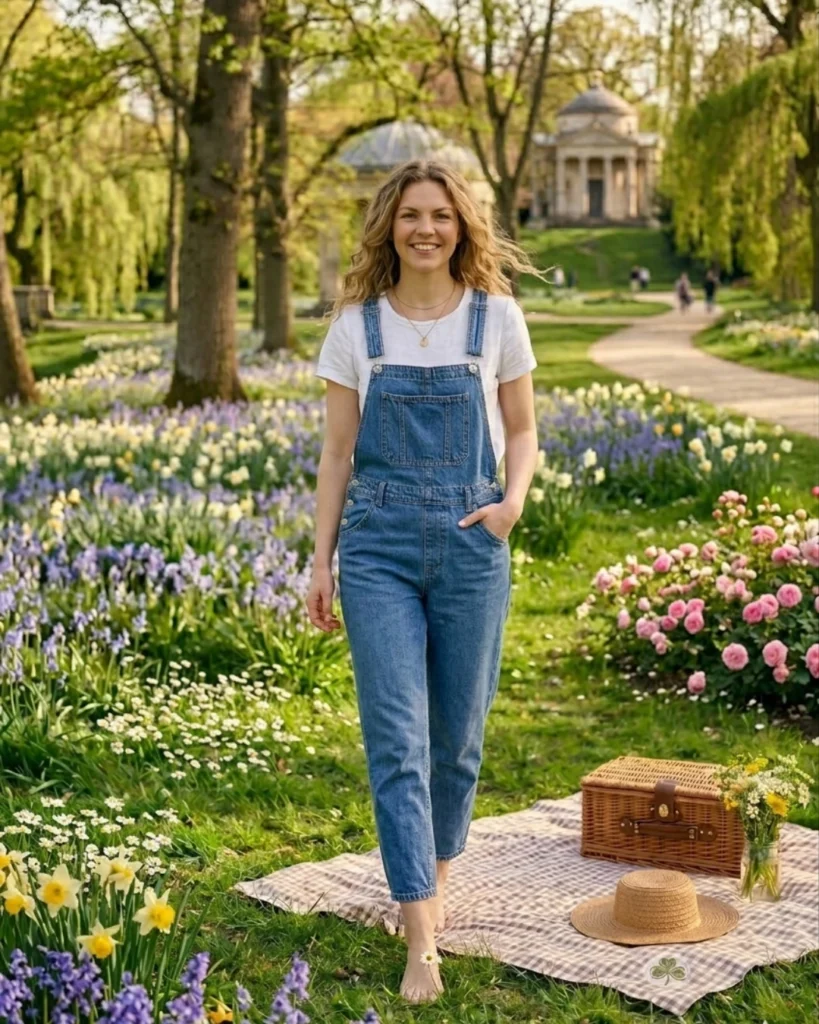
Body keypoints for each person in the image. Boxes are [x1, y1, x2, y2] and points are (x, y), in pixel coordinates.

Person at [307, 160, 540, 1005]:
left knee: (458, 739)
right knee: (397, 740)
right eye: (410, 215)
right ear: (389, 226)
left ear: (461, 225)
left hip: (472, 541)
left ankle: (432, 882)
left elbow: (522, 430)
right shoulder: (356, 327)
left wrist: (509, 506)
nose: (426, 229)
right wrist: (320, 560)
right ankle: (420, 938)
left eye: (440, 215)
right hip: (378, 549)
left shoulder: (496, 318)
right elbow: (337, 453)